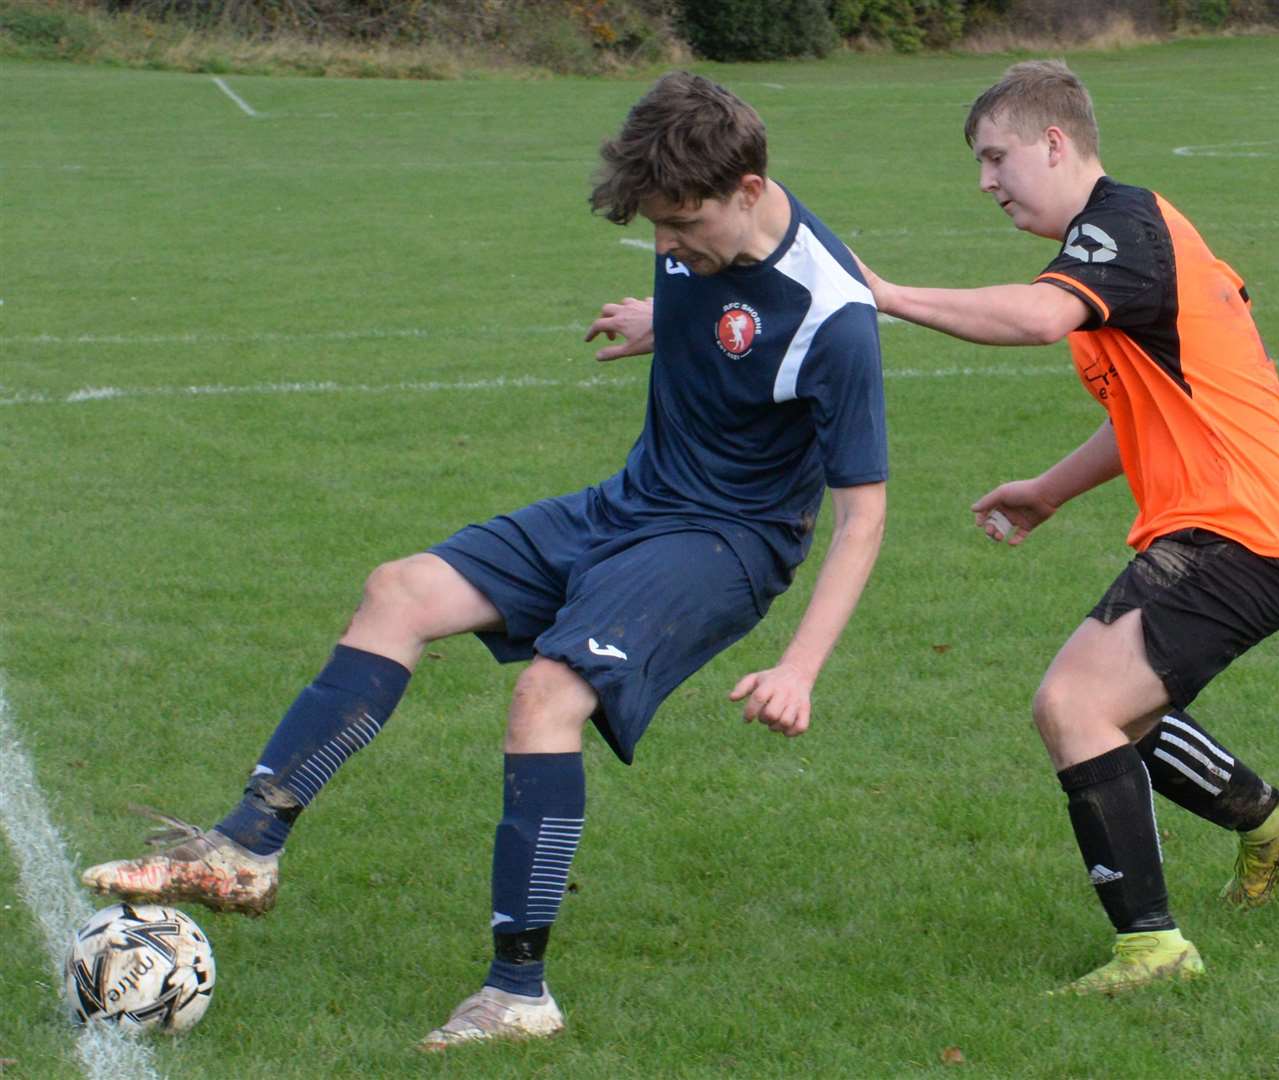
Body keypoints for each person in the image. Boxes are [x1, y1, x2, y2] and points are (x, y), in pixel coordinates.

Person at [81, 72, 888, 1046]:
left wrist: (801, 666)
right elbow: (720, 321)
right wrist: (657, 320)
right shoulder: (702, 246)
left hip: (727, 542)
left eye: (679, 228)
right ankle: (245, 850)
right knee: (400, 591)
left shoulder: (836, 315)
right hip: (635, 502)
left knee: (548, 693)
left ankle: (518, 995)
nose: (667, 246)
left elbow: (863, 518)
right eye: (656, 229)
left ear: (750, 189)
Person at [852, 59, 1279, 994]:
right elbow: (1145, 408)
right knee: (1116, 713)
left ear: (1055, 143)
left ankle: (1152, 949)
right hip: (1239, 527)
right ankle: (1273, 820)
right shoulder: (1123, 242)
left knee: (1073, 707)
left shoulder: (1124, 227)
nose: (985, 182)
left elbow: (1036, 318)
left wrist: (891, 295)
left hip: (1240, 528)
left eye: (995, 158)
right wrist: (1046, 490)